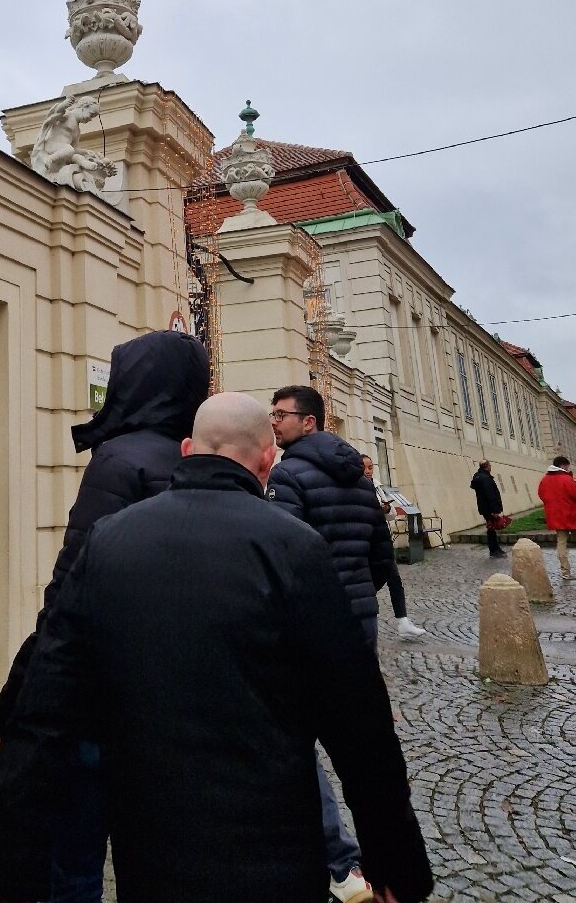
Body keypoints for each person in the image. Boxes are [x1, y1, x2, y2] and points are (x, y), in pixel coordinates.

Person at [0, 394, 433, 903]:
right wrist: (395, 866)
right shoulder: (295, 547)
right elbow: (360, 725)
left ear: (187, 448)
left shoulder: (110, 539)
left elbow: (43, 707)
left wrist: (12, 873)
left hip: (150, 845)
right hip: (275, 844)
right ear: (268, 459)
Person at [0, 329, 211, 903]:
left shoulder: (119, 460)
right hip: (169, 702)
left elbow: (70, 591)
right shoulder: (198, 458)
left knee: (76, 859)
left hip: (97, 699)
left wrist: (20, 697)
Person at [266, 385, 395, 903]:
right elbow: (381, 557)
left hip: (310, 628)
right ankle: (387, 865)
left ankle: (339, 861)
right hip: (358, 624)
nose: (273, 422)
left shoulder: (287, 474)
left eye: (281, 415)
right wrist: (359, 598)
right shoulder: (361, 478)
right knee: (363, 746)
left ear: (310, 423)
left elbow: (287, 555)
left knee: (296, 737)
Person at [361, 454, 425, 640]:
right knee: (374, 581)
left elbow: (392, 516)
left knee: (394, 579)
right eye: (364, 467)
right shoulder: (357, 487)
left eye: (370, 467)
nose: (368, 471)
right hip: (370, 542)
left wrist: (387, 509)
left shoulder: (377, 486)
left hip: (383, 541)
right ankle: (357, 610)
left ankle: (403, 621)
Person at [538, 456, 576, 581]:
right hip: (572, 514)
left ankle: (565, 572)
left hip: (556, 515)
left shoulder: (544, 480)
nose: (568, 469)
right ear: (563, 465)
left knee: (561, 542)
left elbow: (541, 495)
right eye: (567, 466)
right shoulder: (567, 479)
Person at [470, 460, 507, 558]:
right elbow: (490, 495)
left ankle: (496, 548)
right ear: (487, 467)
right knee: (491, 529)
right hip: (489, 508)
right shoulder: (486, 478)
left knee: (492, 528)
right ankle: (494, 550)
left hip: (484, 507)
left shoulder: (477, 476)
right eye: (490, 465)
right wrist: (495, 510)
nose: (491, 467)